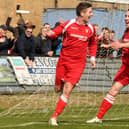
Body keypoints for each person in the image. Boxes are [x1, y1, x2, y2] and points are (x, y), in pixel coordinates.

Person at [46, 2, 97, 126]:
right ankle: (59, 85)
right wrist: (50, 33)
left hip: (78, 64)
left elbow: (93, 43)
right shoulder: (68, 24)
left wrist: (93, 58)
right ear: (82, 13)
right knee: (58, 89)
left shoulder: (91, 29)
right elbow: (54, 33)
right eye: (90, 12)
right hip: (63, 61)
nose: (92, 14)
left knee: (67, 90)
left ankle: (54, 117)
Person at [87, 10, 129, 124]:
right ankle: (98, 117)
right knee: (113, 90)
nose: (126, 18)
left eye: (128, 16)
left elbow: (123, 43)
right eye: (125, 16)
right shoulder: (126, 31)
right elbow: (120, 41)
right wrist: (109, 45)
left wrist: (121, 45)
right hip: (126, 68)